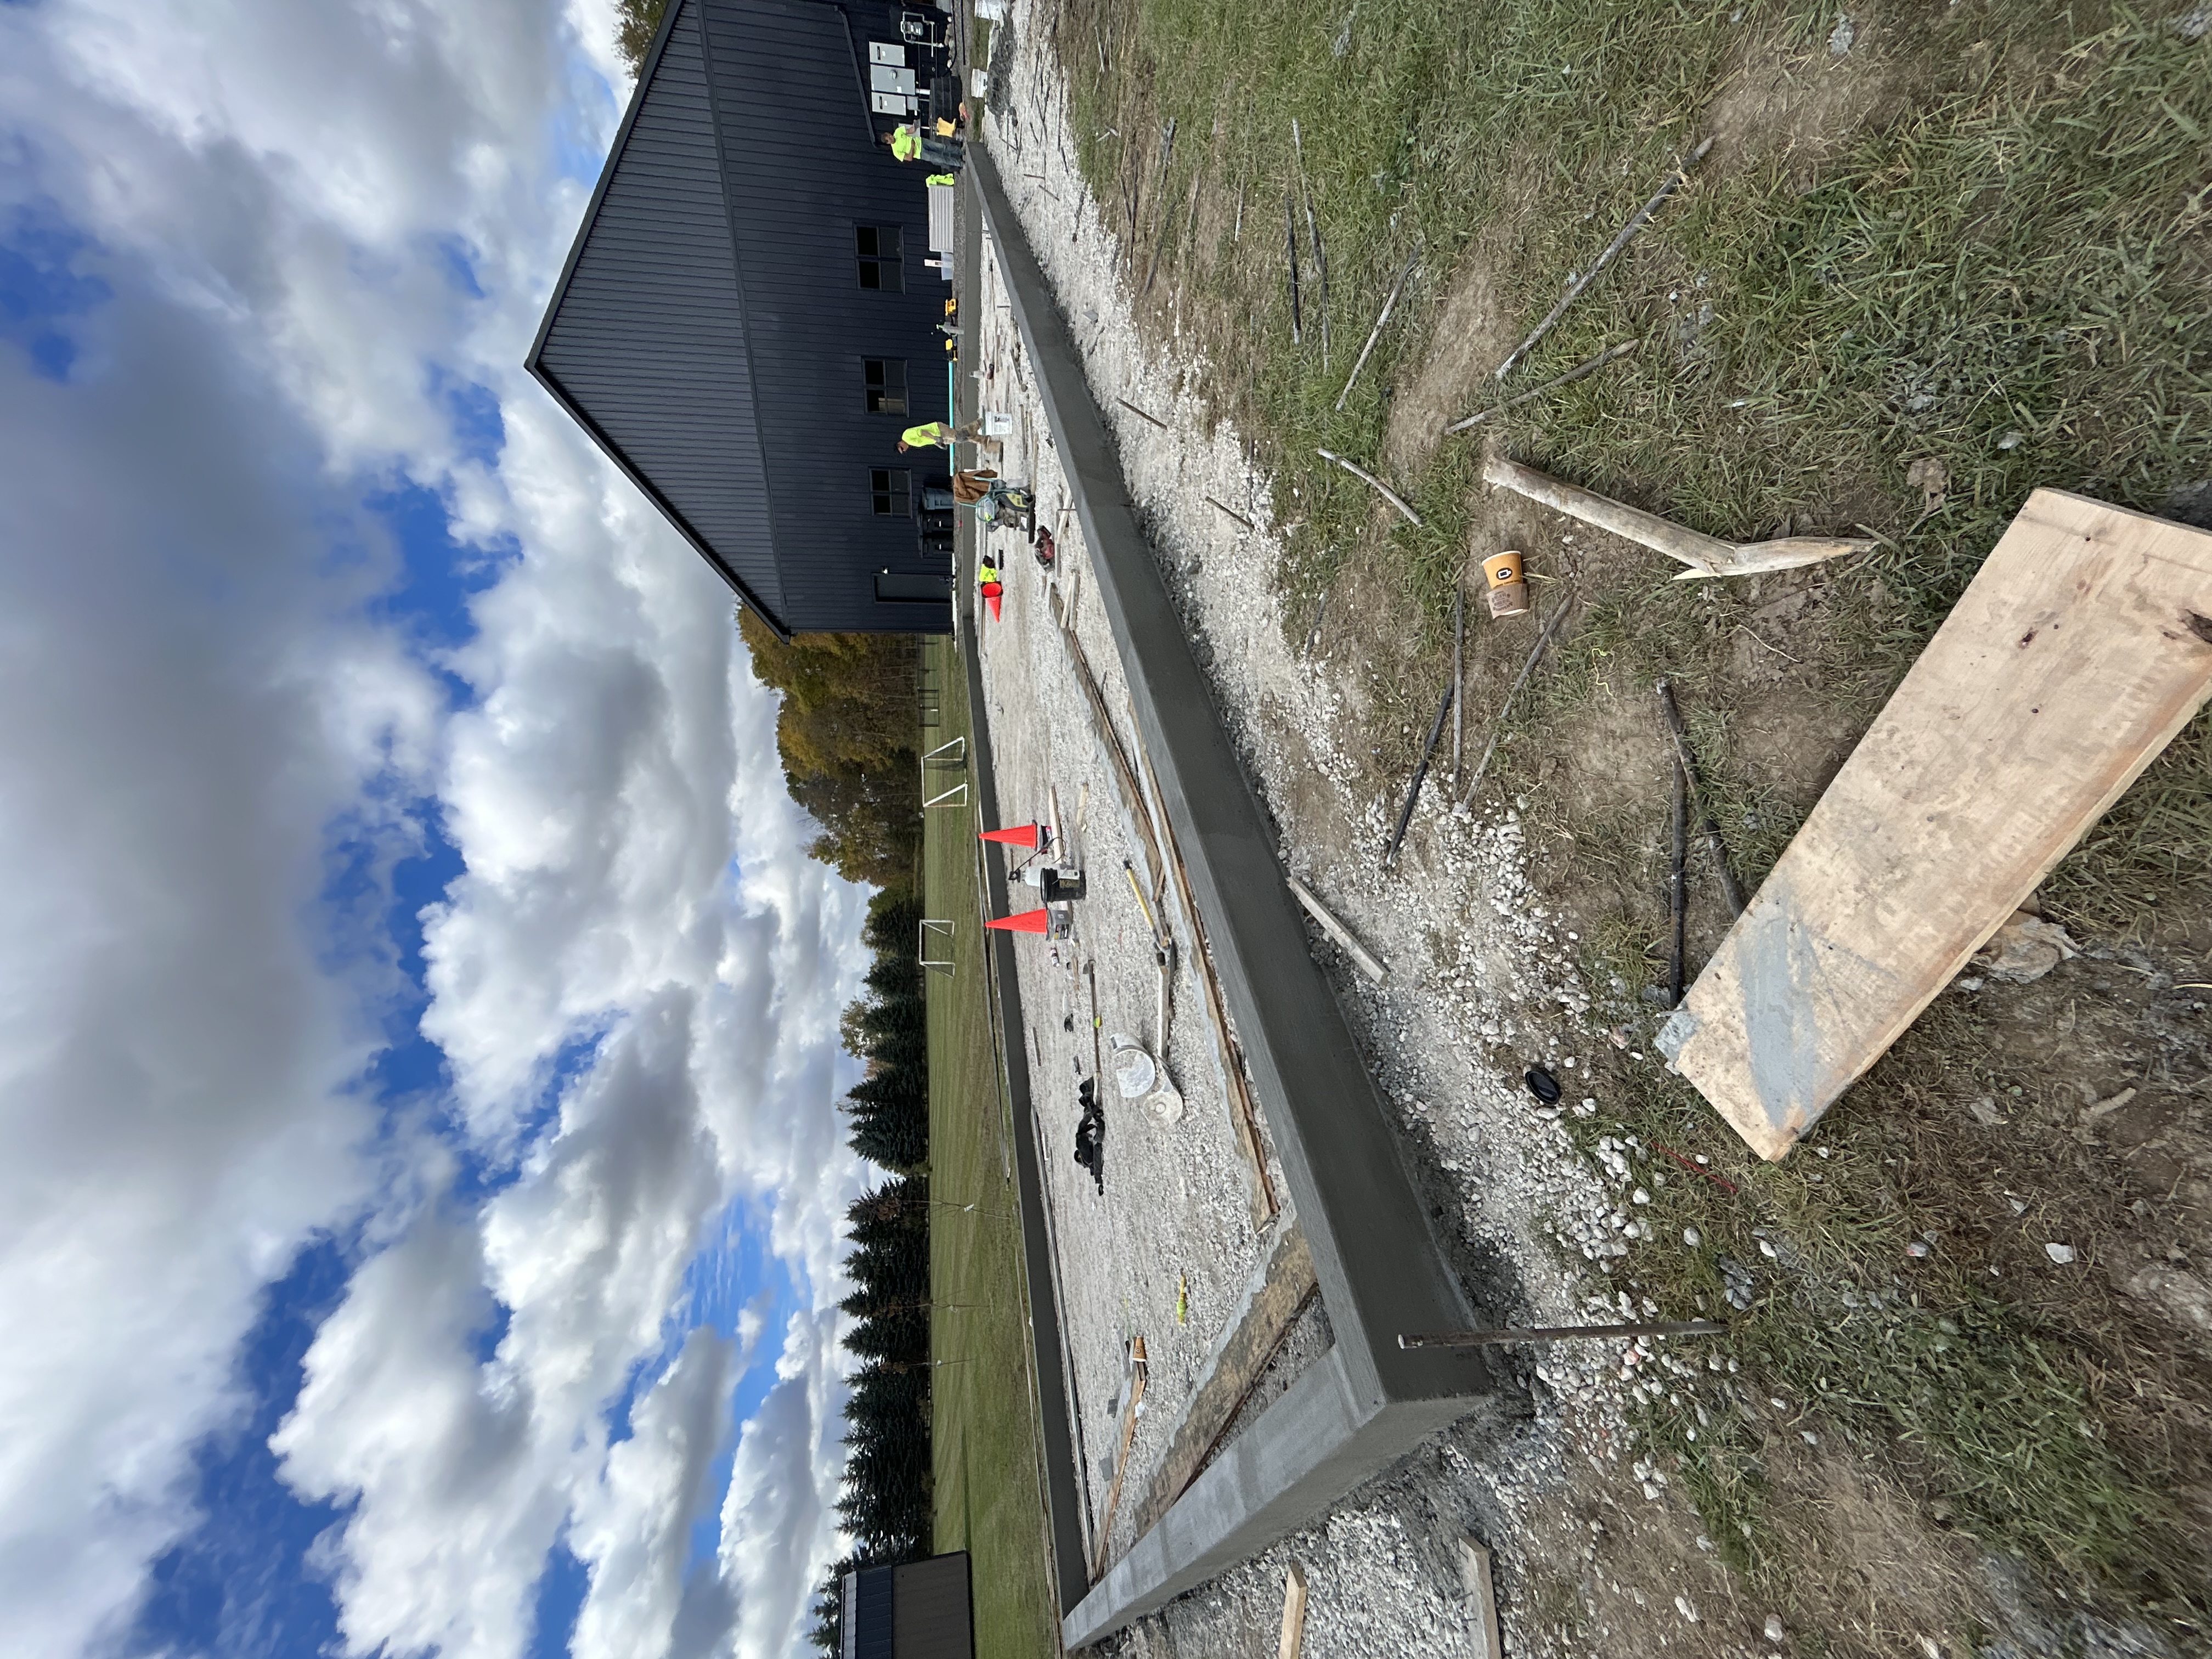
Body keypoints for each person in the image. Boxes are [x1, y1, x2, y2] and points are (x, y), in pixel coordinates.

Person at [899, 419, 985, 453]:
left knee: (960, 436)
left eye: (902, 449)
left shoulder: (906, 436)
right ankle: (982, 440)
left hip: (938, 430)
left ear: (900, 443)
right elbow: (926, 440)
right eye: (903, 451)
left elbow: (922, 432)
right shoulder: (910, 443)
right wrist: (937, 443)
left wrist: (935, 438)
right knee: (960, 438)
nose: (905, 450)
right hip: (939, 438)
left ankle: (979, 424)